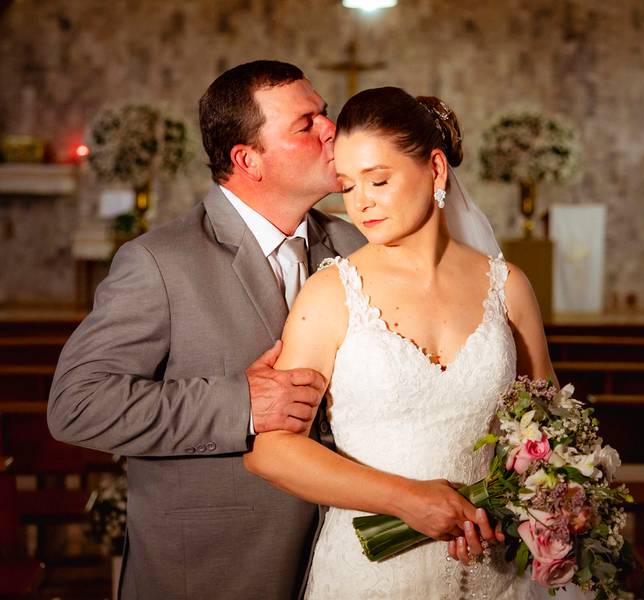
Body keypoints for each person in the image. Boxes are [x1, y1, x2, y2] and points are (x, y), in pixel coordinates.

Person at [48, 61, 373, 599]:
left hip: (347, 556)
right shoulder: (158, 262)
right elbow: (77, 405)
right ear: (248, 159)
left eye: (325, 113)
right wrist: (240, 405)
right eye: (306, 123)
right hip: (214, 567)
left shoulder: (354, 245)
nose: (331, 129)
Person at [243, 87, 556, 599]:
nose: (360, 202)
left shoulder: (508, 286)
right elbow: (271, 451)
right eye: (346, 185)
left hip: (489, 567)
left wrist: (515, 505)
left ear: (435, 170)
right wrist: (407, 499)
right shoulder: (331, 293)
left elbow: (546, 434)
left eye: (379, 180)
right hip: (370, 573)